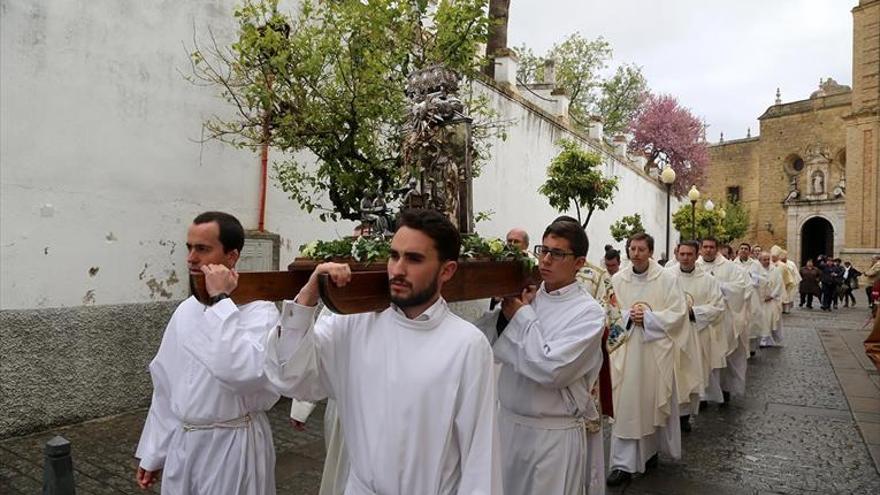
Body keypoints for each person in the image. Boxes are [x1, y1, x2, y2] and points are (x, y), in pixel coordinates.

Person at [265, 209, 501, 494]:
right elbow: (290, 376)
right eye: (394, 256)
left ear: (447, 270)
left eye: (414, 259)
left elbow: (480, 456)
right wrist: (307, 299)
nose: (398, 269)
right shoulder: (353, 324)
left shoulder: (467, 345)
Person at [135, 211, 283, 494]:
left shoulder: (260, 313)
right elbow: (166, 385)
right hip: (184, 444)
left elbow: (241, 373)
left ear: (232, 256)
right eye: (189, 248)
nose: (191, 258)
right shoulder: (186, 310)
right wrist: (155, 451)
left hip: (232, 447)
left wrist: (220, 301)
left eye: (202, 249)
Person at [480, 219, 606, 495]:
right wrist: (504, 309)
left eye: (557, 253)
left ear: (579, 262)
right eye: (543, 250)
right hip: (508, 427)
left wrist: (520, 314)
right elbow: (485, 342)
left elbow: (551, 370)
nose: (545, 259)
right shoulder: (529, 296)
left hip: (551, 437)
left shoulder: (589, 313)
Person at [606, 233, 687, 486]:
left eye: (641, 249)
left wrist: (650, 318)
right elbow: (608, 310)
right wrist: (629, 316)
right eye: (632, 249)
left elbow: (678, 313)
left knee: (651, 402)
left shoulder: (667, 278)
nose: (636, 253)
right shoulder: (618, 280)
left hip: (654, 352)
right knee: (627, 405)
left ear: (650, 252)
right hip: (627, 353)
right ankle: (622, 464)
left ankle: (650, 451)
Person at [667, 240, 723, 433]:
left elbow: (718, 307)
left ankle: (684, 416)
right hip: (671, 338)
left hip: (696, 337)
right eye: (682, 254)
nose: (685, 258)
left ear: (696, 254)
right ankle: (670, 414)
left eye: (690, 254)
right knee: (672, 377)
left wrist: (693, 313)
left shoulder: (708, 280)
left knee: (690, 376)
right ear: (677, 254)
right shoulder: (666, 277)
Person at [696, 237, 750, 407]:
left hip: (723, 318)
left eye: (712, 247)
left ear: (717, 249)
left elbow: (740, 289)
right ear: (700, 249)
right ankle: (703, 394)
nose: (708, 250)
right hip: (701, 319)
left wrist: (717, 285)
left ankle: (725, 389)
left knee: (724, 355)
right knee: (702, 357)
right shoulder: (694, 267)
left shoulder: (730, 267)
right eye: (705, 247)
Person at [734, 243, 765, 356]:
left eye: (746, 249)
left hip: (753, 296)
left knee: (753, 321)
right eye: (741, 248)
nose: (743, 250)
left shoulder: (755, 264)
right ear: (738, 251)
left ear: (749, 251)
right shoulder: (733, 264)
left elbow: (761, 279)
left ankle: (751, 347)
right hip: (739, 296)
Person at [757, 252, 784, 348]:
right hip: (759, 300)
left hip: (771, 300)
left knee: (770, 319)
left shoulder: (775, 270)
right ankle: (762, 339)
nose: (767, 261)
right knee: (761, 320)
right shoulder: (756, 271)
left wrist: (772, 295)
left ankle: (768, 339)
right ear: (759, 260)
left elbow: (779, 284)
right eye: (764, 259)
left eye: (768, 259)